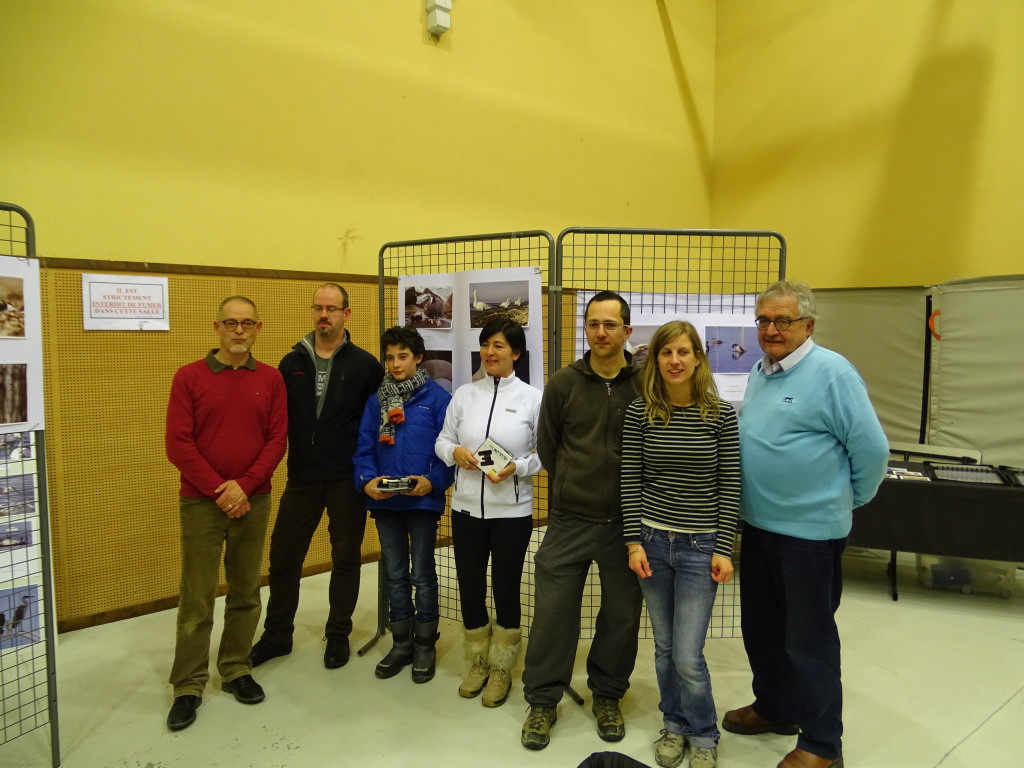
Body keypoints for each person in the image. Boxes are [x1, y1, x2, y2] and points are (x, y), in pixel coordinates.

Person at [723, 281, 888, 768]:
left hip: (810, 539)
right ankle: (777, 707)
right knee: (762, 629)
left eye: (782, 321)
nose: (770, 330)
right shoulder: (760, 371)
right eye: (763, 321)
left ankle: (821, 745)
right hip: (758, 529)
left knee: (809, 642)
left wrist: (843, 501)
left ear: (808, 325)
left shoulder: (833, 373)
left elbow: (873, 452)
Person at [521, 291, 643, 750]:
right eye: (593, 324)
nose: (601, 332)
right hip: (570, 521)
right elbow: (549, 448)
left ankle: (608, 694)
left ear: (627, 332)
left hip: (627, 526)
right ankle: (542, 700)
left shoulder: (644, 384)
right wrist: (574, 486)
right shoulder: (563, 383)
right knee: (553, 614)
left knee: (622, 614)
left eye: (610, 324)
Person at [164, 296, 288, 732]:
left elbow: (277, 440)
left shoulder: (271, 379)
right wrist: (222, 489)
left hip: (254, 500)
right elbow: (178, 444)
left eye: (247, 323)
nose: (239, 330)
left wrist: (246, 486)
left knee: (246, 590)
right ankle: (188, 684)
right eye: (231, 323)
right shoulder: (189, 378)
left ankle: (235, 667)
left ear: (258, 327)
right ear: (215, 326)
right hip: (202, 502)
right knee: (196, 597)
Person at [621, 321, 740, 768]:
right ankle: (673, 724)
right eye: (666, 352)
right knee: (665, 647)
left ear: (698, 359)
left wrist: (723, 548)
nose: (675, 361)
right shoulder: (641, 413)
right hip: (651, 543)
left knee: (689, 654)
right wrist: (633, 542)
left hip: (699, 546)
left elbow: (730, 484)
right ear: (655, 360)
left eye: (683, 352)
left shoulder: (720, 415)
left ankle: (704, 733)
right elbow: (630, 479)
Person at [250, 283, 384, 670]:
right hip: (302, 478)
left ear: (347, 313)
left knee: (345, 559)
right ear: (313, 313)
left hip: (347, 478)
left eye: (332, 308)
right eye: (318, 308)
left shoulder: (365, 365)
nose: (324, 315)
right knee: (283, 560)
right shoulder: (291, 362)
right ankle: (277, 636)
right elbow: (276, 421)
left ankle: (338, 633)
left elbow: (377, 422)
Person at [435, 319, 542, 708]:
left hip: (512, 512)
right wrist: (454, 454)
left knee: (506, 587)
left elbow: (545, 452)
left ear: (516, 352)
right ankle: (478, 661)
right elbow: (443, 440)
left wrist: (520, 467)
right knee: (470, 585)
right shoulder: (464, 395)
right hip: (465, 509)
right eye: (485, 345)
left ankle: (502, 667)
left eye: (499, 346)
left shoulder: (533, 398)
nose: (490, 353)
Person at [354, 326, 455, 683]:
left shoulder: (439, 400)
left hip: (422, 502)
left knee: (423, 575)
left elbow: (449, 453)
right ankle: (401, 642)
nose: (395, 364)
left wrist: (434, 482)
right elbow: (364, 449)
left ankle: (425, 644)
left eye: (403, 356)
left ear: (418, 358)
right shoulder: (375, 401)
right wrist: (367, 481)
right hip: (385, 504)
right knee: (395, 574)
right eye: (390, 357)